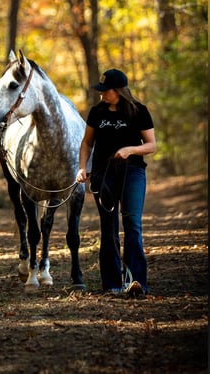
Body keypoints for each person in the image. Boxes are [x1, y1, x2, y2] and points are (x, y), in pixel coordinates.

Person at [76, 69, 156, 298]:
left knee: (132, 223)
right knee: (108, 227)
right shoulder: (97, 112)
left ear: (118, 91)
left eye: (105, 90)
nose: (101, 94)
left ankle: (136, 281)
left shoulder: (139, 111)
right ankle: (111, 283)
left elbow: (151, 145)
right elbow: (87, 143)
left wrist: (130, 149)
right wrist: (82, 168)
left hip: (133, 172)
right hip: (104, 175)